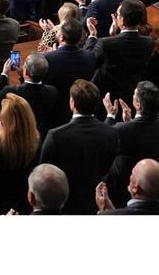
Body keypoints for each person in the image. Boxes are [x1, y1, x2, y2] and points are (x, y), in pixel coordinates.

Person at [39, 79, 119, 214]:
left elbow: (42, 173)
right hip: (96, 202)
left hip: (64, 205)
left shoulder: (56, 136)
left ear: (72, 103)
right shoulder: (111, 133)